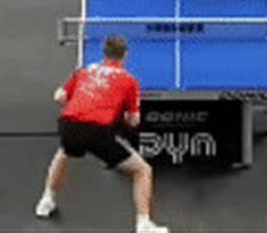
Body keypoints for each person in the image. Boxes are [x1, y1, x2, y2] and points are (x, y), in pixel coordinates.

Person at [34, 36, 169, 233]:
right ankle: (144, 224)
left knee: (64, 153)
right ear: (125, 55)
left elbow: (59, 96)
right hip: (97, 131)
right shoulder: (129, 81)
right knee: (142, 170)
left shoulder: (85, 71)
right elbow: (133, 120)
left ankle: (46, 201)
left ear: (104, 52)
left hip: (69, 123)